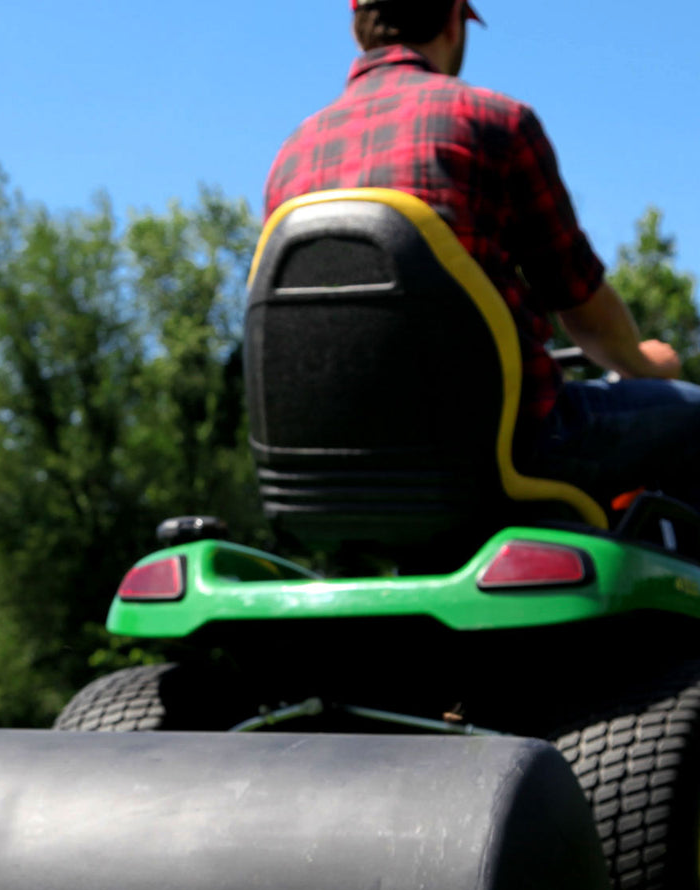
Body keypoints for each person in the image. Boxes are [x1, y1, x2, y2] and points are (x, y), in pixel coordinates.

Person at [263, 0, 700, 514]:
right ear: (453, 21)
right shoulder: (496, 122)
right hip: (505, 451)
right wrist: (646, 364)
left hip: (330, 477)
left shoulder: (290, 157)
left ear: (358, 31)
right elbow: (581, 306)